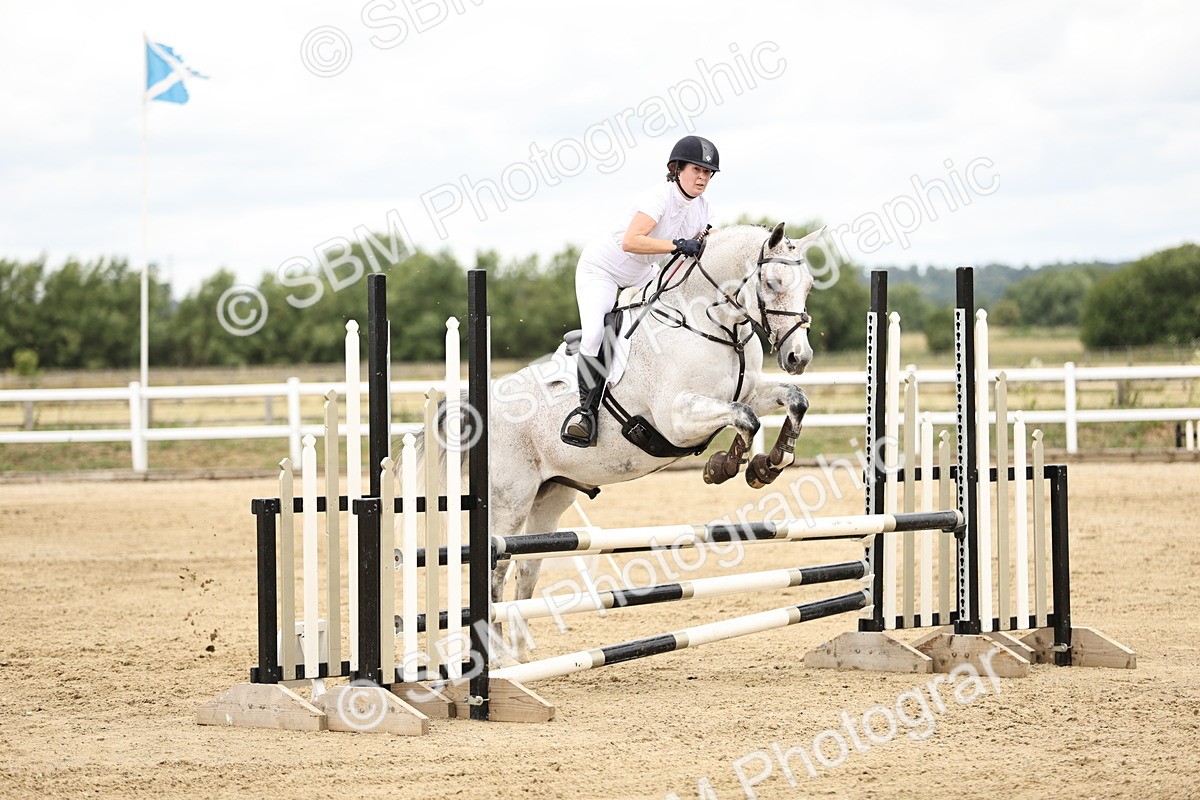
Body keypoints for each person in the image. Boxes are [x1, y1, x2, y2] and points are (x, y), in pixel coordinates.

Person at [560, 135, 719, 448]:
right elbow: (631, 241)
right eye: (697, 170)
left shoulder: (704, 209)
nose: (702, 177)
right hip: (603, 270)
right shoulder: (658, 197)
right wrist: (677, 245)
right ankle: (585, 413)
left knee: (668, 323)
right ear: (678, 169)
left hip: (644, 272)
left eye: (708, 172)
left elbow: (707, 244)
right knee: (595, 336)